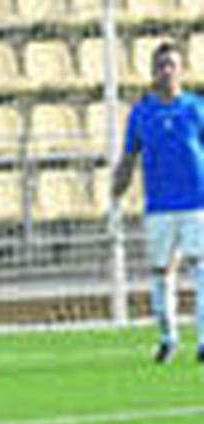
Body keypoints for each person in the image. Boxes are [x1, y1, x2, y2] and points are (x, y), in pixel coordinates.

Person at [112, 39, 204, 364]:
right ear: (152, 71)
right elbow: (128, 157)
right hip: (160, 206)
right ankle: (168, 337)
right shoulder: (142, 113)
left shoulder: (197, 108)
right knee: (161, 270)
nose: (166, 71)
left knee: (200, 267)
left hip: (196, 203)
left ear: (182, 70)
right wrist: (115, 198)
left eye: (172, 65)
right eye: (161, 65)